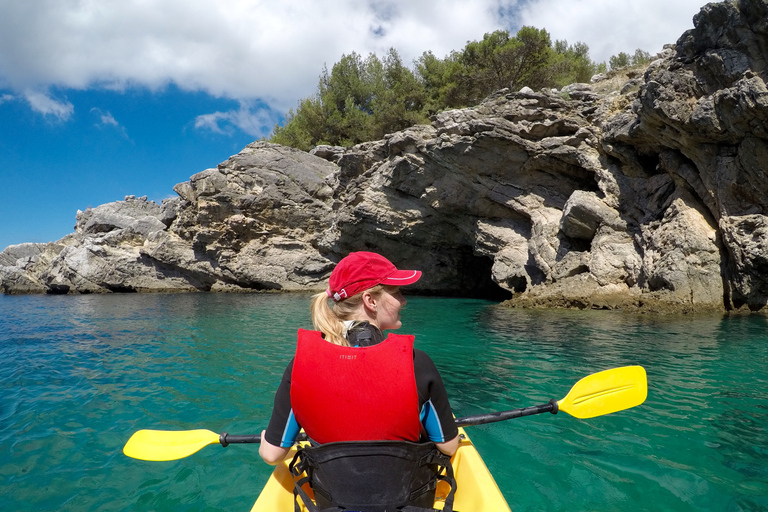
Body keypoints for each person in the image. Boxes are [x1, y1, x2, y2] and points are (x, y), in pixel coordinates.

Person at [259, 252, 460, 509]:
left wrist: (268, 438)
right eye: (397, 292)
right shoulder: (416, 362)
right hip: (405, 504)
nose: (404, 301)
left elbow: (272, 454)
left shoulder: (300, 365)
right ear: (370, 300)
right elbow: (449, 446)